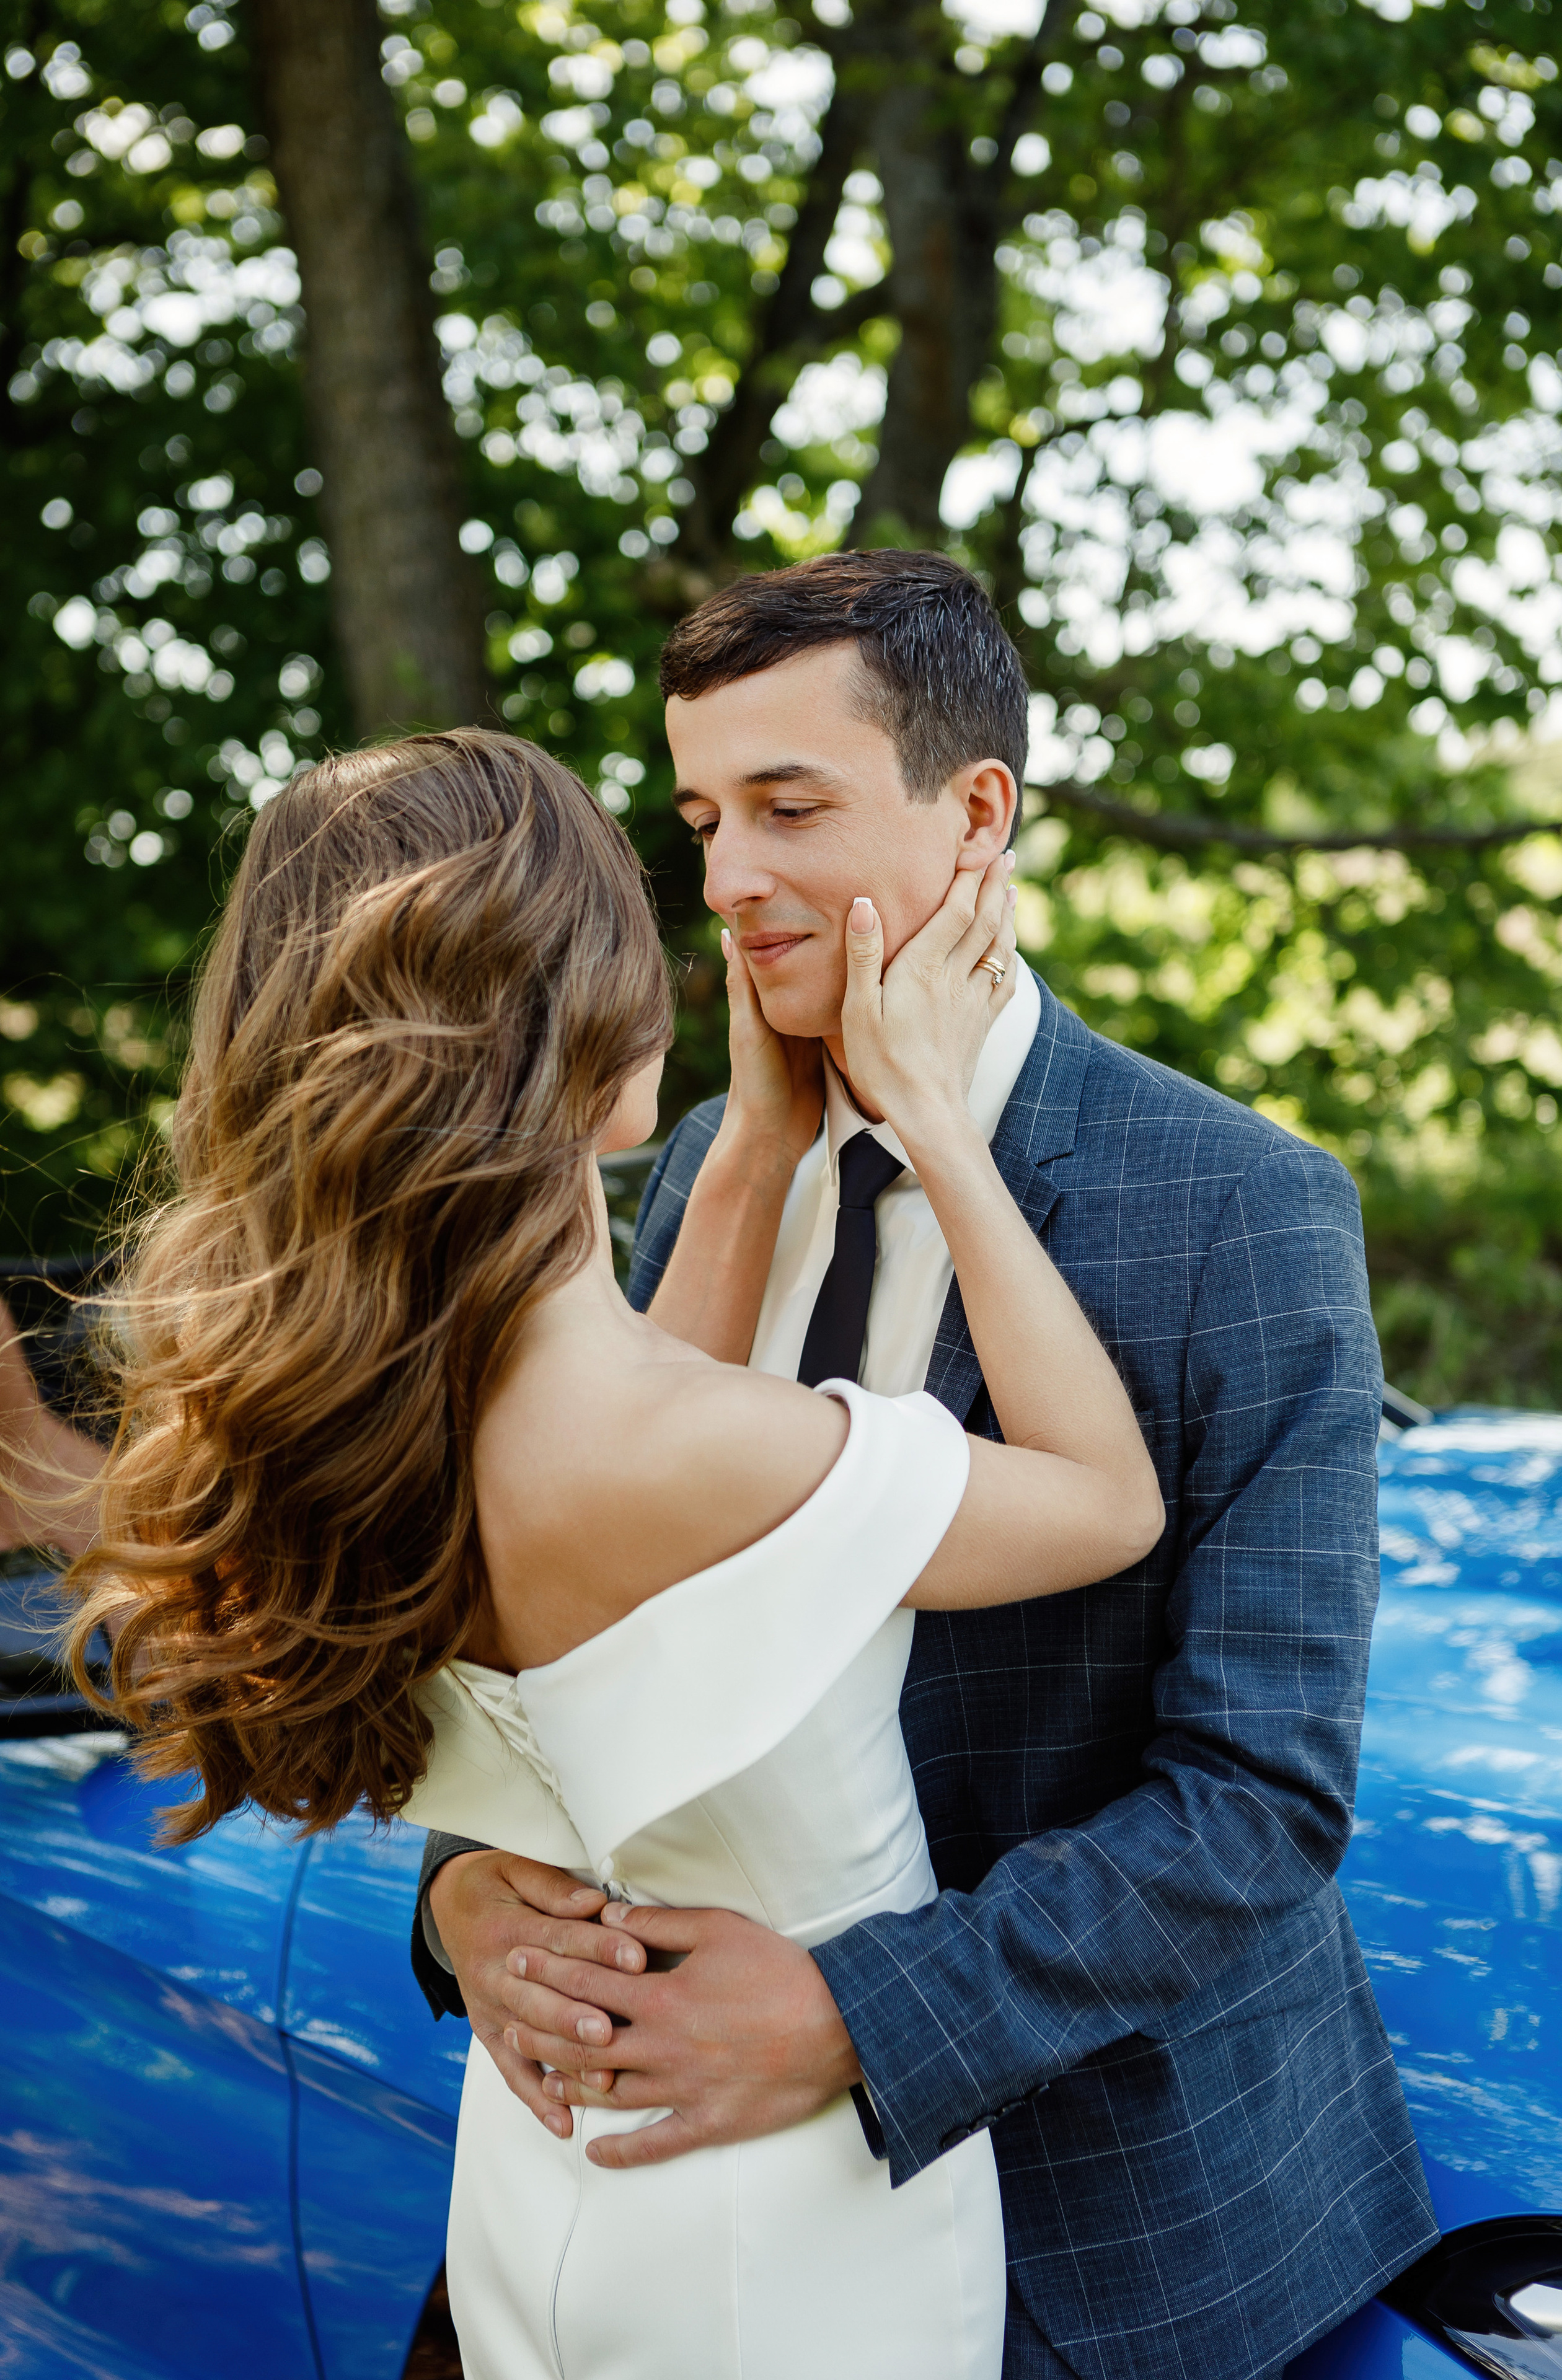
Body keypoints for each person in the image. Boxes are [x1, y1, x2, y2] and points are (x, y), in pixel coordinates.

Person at [413, 552, 1439, 2380]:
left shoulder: (1243, 1207)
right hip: (649, 2219)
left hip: (1105, 2241)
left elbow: (1260, 1795)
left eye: (790, 809)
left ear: (977, 815)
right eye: (703, 822)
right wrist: (467, 1894)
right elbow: (582, 1598)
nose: (727, 884)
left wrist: (854, 2014)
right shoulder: (703, 1159)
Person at [63, 724, 1165, 2380]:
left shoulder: (345, 1430)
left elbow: (637, 1422)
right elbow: (1103, 1501)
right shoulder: (713, 1454)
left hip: (542, 2177)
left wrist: (757, 1148)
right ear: (580, 1010)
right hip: (795, 2241)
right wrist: (937, 1122)